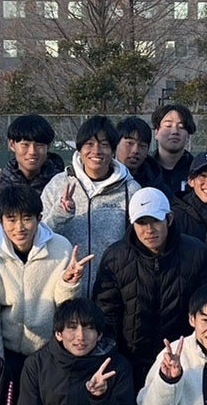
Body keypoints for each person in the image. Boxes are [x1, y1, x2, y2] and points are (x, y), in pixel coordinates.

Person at [93, 187, 207, 405]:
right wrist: (112, 353)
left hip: (181, 351)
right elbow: (106, 310)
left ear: (169, 219)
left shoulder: (196, 253)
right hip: (130, 351)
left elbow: (204, 305)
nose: (149, 230)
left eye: (155, 221)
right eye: (141, 223)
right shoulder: (115, 256)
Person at [0, 184, 89, 383]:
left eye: (27, 218)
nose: (19, 227)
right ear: (0, 220)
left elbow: (65, 307)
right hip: (6, 348)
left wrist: (69, 284)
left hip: (48, 350)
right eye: (11, 219)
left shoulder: (61, 247)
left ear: (39, 218)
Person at [41, 115, 141, 295]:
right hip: (64, 289)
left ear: (113, 150)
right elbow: (39, 238)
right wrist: (60, 214)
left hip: (112, 293)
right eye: (89, 144)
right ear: (79, 149)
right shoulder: (58, 184)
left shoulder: (131, 189)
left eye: (104, 144)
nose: (96, 151)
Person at [0, 114, 66, 243]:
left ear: (48, 147)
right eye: (25, 144)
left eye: (39, 145)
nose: (32, 152)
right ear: (12, 144)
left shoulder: (61, 184)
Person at [151, 103, 196, 197]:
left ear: (188, 135)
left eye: (181, 127)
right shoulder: (145, 169)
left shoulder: (197, 171)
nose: (175, 131)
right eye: (168, 125)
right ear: (156, 132)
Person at [116, 116, 163, 189]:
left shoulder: (156, 184)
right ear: (116, 144)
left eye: (142, 146)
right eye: (130, 143)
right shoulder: (101, 176)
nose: (135, 151)